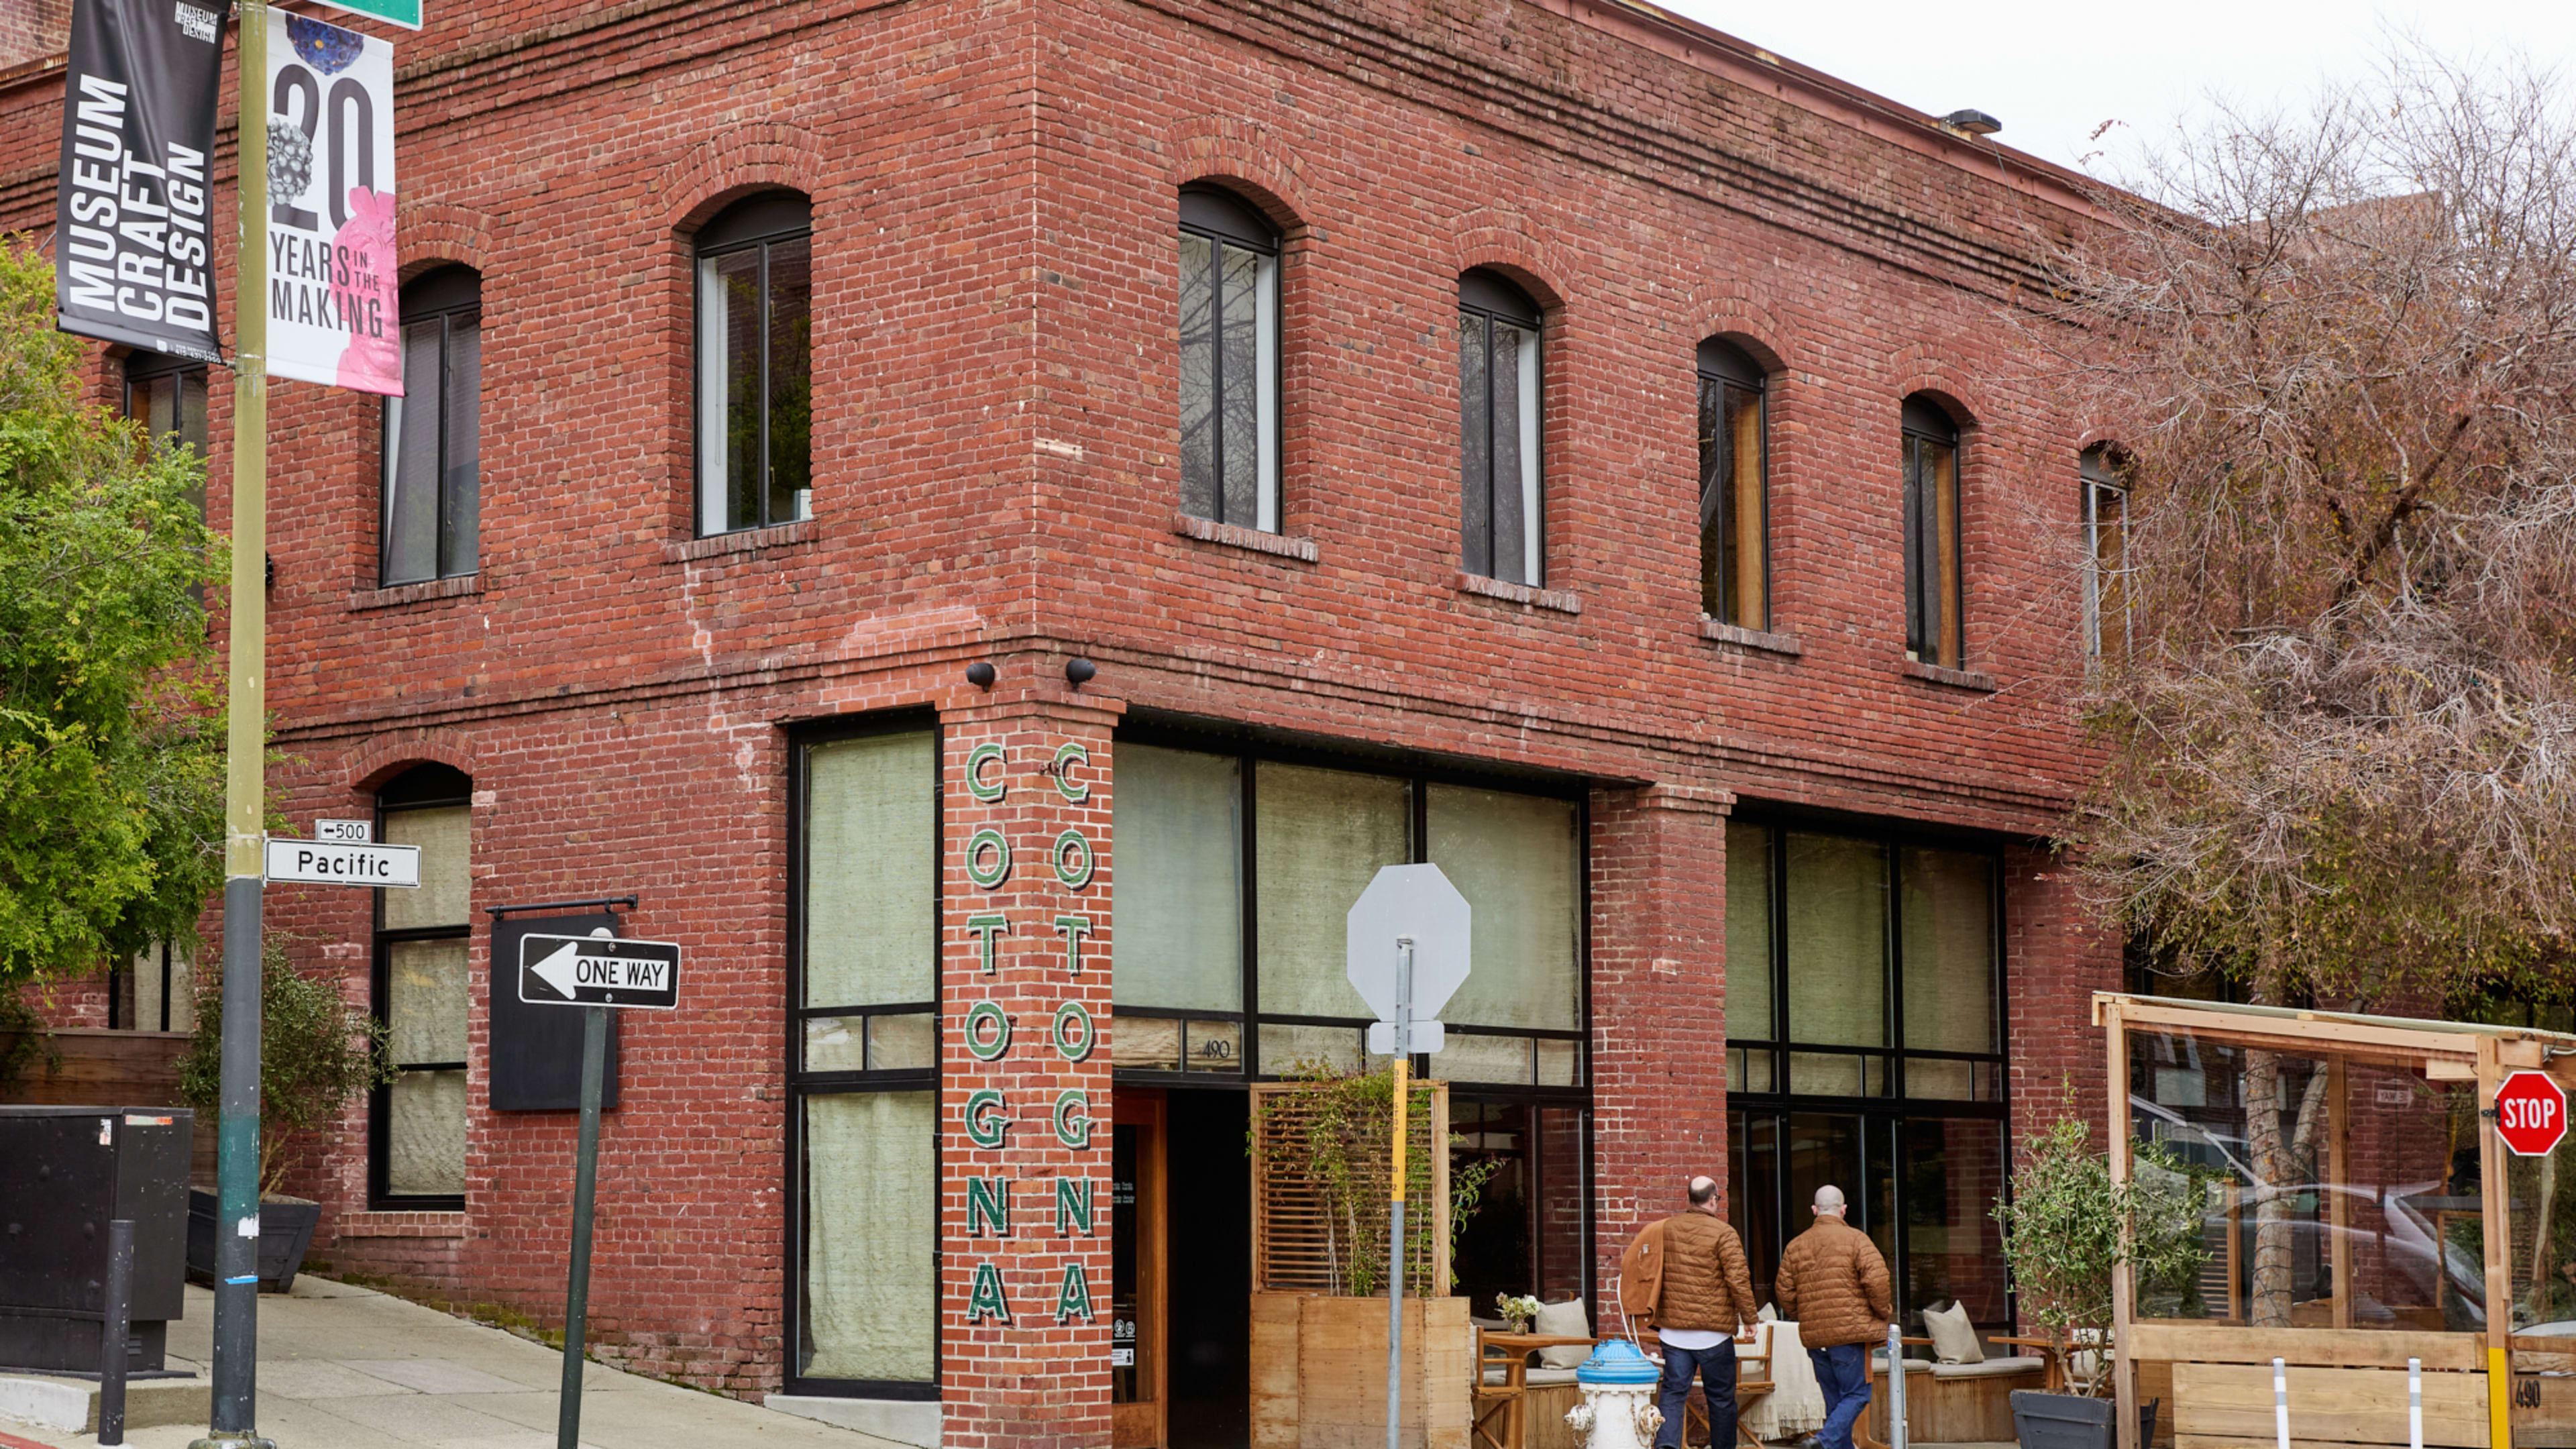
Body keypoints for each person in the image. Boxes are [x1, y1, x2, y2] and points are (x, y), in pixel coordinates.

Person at [1619, 1176, 1760, 1449]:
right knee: (1720, 1399)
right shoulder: (1725, 1233)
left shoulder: (1664, 1229)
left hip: (1674, 1334)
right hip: (1714, 1335)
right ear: (1713, 1200)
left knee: (1673, 1394)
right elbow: (1738, 1280)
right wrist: (1750, 1318)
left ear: (1689, 1199)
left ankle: (1666, 1447)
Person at [1774, 1185, 1891, 1449]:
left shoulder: (1796, 1245)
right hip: (1849, 1335)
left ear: (1814, 1210)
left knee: (1836, 1402)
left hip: (1817, 1339)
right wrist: (1882, 1312)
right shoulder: (1857, 1240)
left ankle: (1830, 1442)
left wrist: (1805, 1314)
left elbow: (1784, 1292)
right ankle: (1823, 1441)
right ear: (1844, 1209)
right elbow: (1878, 1281)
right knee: (1858, 1395)